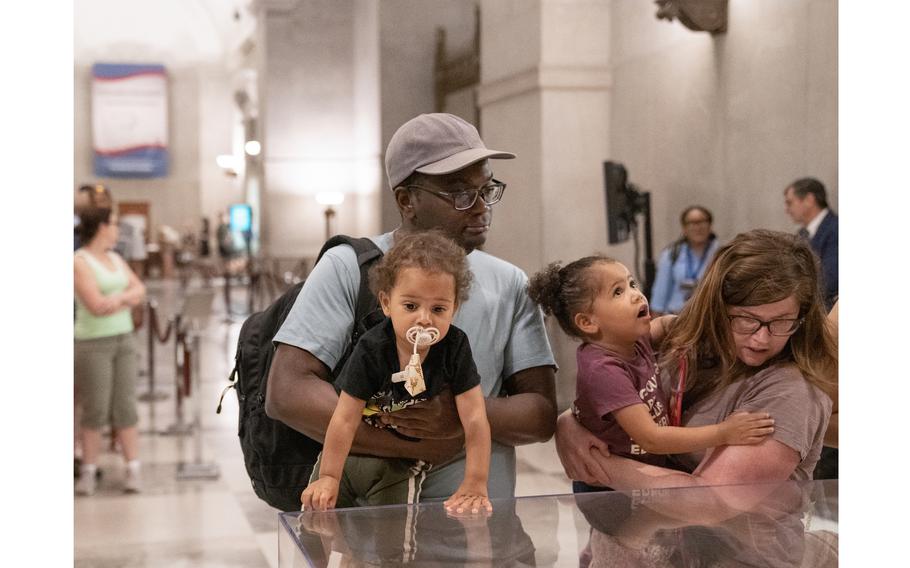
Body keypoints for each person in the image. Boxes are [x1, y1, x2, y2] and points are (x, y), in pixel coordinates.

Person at [267, 112, 557, 508]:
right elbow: (287, 391)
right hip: (372, 530)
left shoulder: (510, 283)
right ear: (407, 200)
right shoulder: (349, 266)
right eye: (459, 193)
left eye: (486, 189)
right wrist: (405, 441)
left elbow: (540, 413)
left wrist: (458, 418)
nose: (479, 208)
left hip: (479, 530)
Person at [554, 229, 836, 494]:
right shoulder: (667, 342)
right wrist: (569, 423)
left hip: (725, 541)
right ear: (717, 308)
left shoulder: (791, 390)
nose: (761, 339)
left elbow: (708, 505)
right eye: (746, 319)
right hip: (647, 520)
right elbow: (621, 402)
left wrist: (593, 461)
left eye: (782, 321)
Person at [528, 255, 775, 493]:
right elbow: (651, 438)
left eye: (632, 283)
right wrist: (725, 432)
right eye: (618, 291)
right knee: (632, 534)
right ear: (588, 322)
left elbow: (666, 325)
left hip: (642, 467)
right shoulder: (603, 370)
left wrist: (695, 324)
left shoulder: (631, 340)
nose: (636, 295)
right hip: (606, 487)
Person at [301, 231, 492, 514]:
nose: (425, 319)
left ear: (455, 308)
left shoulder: (455, 346)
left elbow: (475, 417)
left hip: (401, 460)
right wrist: (329, 476)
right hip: (355, 448)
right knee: (316, 520)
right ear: (387, 303)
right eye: (411, 306)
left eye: (439, 308)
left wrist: (475, 481)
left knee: (392, 538)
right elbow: (344, 418)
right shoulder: (372, 348)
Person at [74, 206, 147, 495]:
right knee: (96, 408)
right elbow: (95, 305)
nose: (118, 229)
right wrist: (126, 298)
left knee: (126, 406)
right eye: (114, 224)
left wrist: (118, 298)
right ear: (101, 227)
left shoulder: (116, 258)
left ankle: (133, 469)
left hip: (124, 338)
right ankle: (89, 471)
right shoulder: (79, 261)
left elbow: (140, 289)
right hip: (93, 344)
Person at [650, 205, 720, 315]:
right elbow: (659, 295)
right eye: (692, 223)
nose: (697, 227)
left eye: (702, 221)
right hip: (675, 320)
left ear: (710, 225)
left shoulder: (721, 254)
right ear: (684, 228)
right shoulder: (671, 254)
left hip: (708, 317)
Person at [784, 177, 838, 310]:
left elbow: (830, 280)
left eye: (790, 203)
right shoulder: (802, 234)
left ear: (809, 200)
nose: (787, 210)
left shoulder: (837, 229)